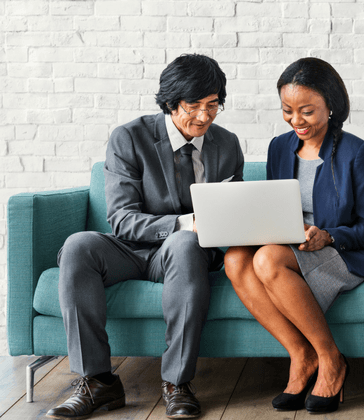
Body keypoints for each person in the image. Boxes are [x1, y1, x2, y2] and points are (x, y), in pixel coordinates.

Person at [48, 54, 244, 420]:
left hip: (186, 254)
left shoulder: (227, 145)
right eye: (194, 106)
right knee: (77, 245)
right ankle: (97, 381)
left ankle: (176, 383)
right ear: (171, 103)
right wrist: (188, 223)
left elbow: (231, 212)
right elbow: (121, 219)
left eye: (213, 105)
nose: (204, 116)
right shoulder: (129, 137)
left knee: (185, 244)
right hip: (129, 248)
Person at [224, 57, 364, 414]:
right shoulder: (279, 147)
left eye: (307, 111)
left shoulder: (357, 152)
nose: (296, 120)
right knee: (235, 257)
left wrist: (327, 235)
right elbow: (274, 209)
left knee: (266, 257)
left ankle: (330, 358)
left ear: (331, 107)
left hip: (342, 253)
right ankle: (301, 355)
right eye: (287, 110)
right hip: (289, 248)